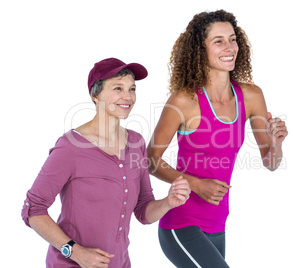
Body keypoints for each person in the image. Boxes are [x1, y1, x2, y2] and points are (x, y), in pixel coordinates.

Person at [147, 10, 288, 267]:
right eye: (218, 41)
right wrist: (197, 185)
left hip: (218, 224)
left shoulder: (251, 96)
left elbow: (270, 162)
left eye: (233, 39)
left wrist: (276, 145)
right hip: (181, 223)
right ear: (200, 50)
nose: (229, 47)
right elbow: (150, 159)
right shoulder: (184, 100)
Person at [21, 57, 190, 268]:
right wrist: (75, 252)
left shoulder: (136, 143)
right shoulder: (70, 146)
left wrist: (168, 202)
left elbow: (143, 210)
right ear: (94, 94)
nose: (127, 96)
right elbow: (33, 209)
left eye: (132, 89)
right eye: (117, 88)